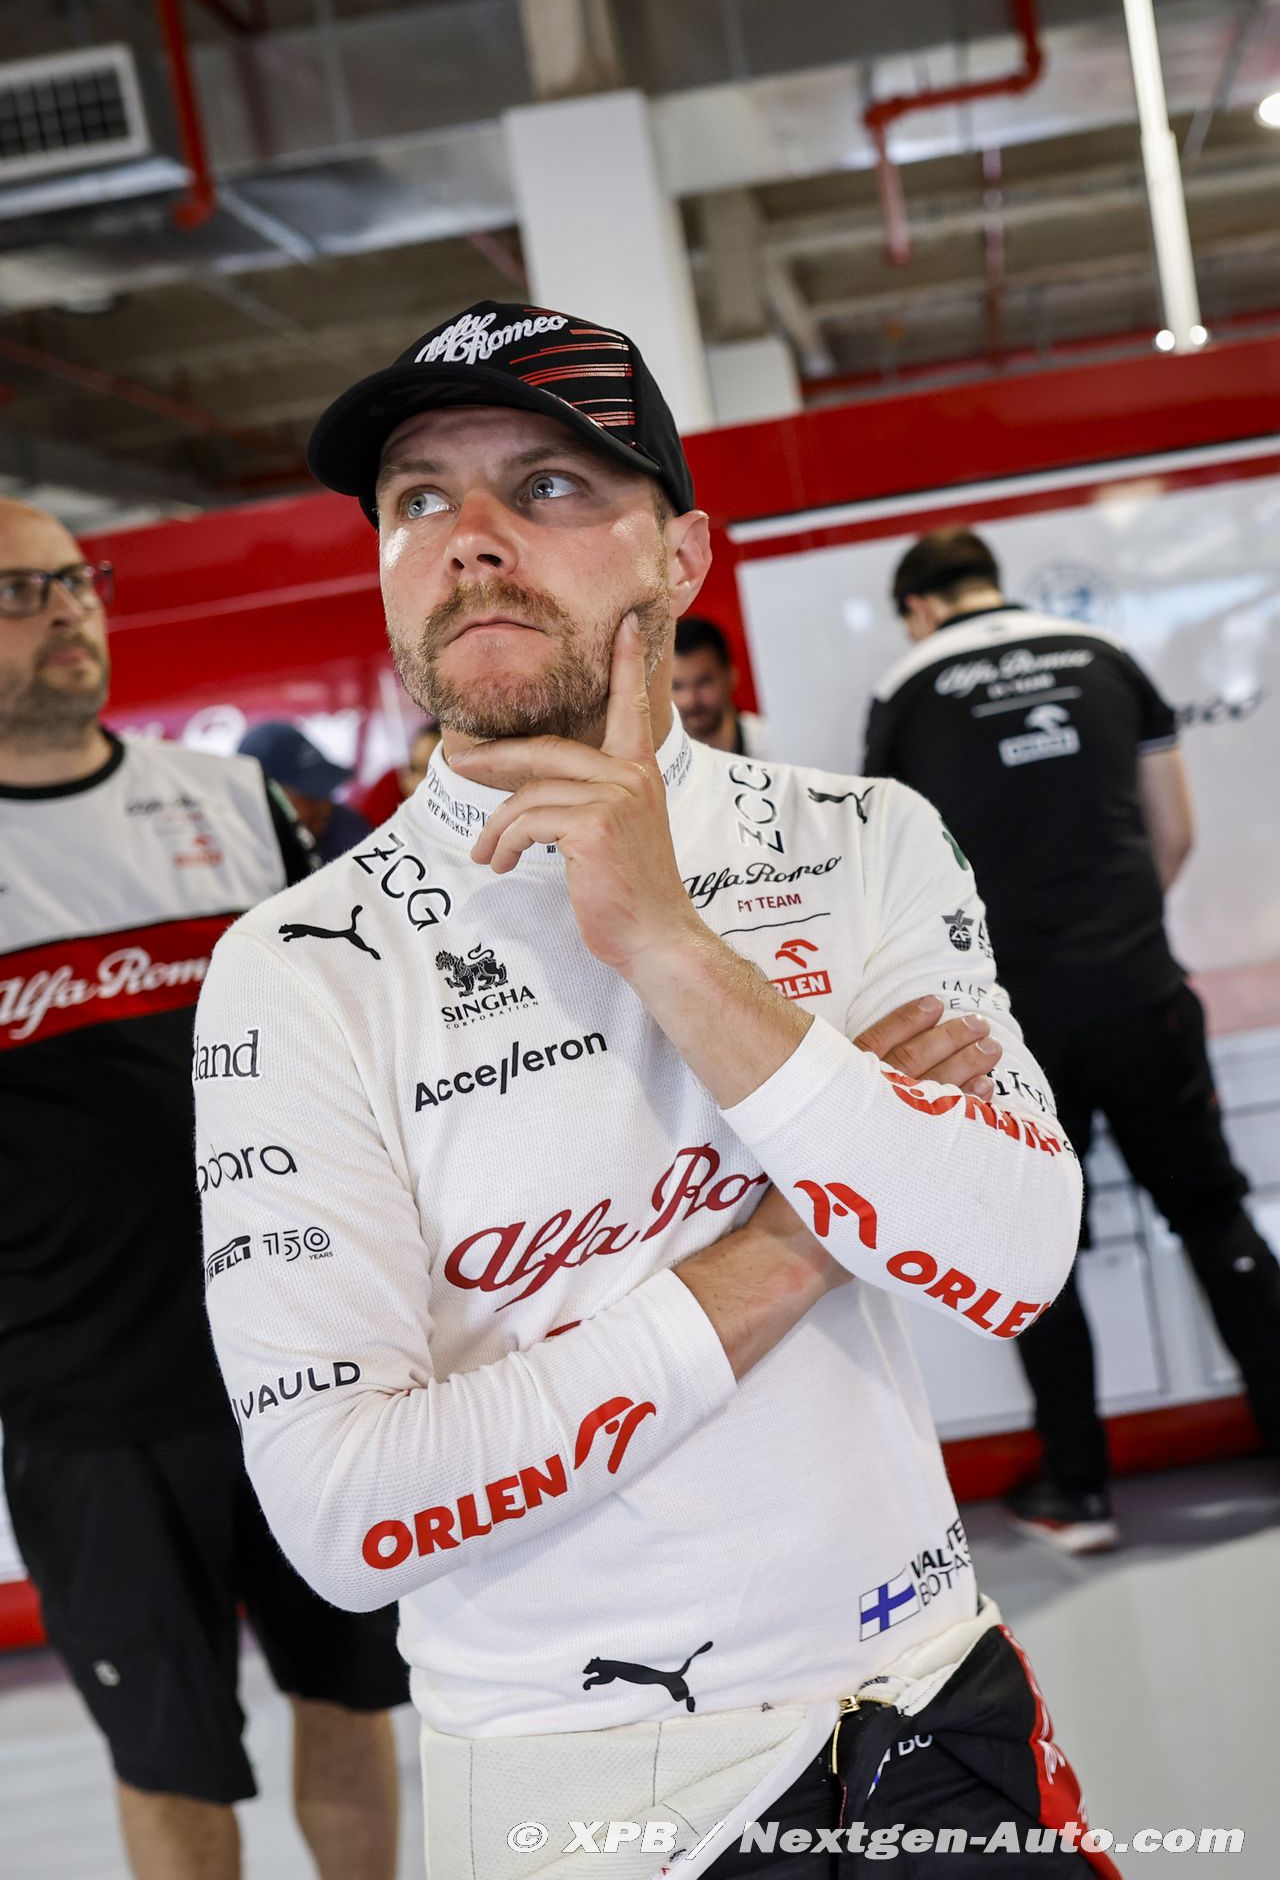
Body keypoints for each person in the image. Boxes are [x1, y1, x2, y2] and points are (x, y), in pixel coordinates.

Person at [195, 302, 1116, 1877]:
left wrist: (671, 945)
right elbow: (347, 1518)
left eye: (547, 485)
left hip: (929, 1702)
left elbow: (1016, 1255)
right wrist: (808, 1233)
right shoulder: (297, 970)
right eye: (420, 498)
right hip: (585, 1799)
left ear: (681, 554)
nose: (472, 540)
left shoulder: (860, 838)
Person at [0, 499, 409, 1880]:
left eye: (78, 580)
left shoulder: (236, 805)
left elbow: (353, 1043)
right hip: (87, 1410)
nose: (68, 610)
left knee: (351, 1702)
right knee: (168, 1761)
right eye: (21, 592)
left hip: (302, 1358)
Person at [865, 525, 1280, 1556]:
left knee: (1039, 1250)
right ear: (988, 583)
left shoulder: (905, 690)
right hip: (1141, 989)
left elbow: (894, 870)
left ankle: (1077, 1493)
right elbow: (1174, 831)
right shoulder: (1106, 657)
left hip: (1015, 1020)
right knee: (1213, 1214)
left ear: (917, 608)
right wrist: (1116, 931)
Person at [237, 719, 373, 862]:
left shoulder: (347, 830)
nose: (325, 808)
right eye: (310, 797)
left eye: (326, 790)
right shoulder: (234, 855)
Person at [673, 614, 771, 756]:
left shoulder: (775, 745)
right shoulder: (654, 759)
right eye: (677, 686)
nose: (691, 700)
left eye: (703, 682)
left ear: (731, 677)